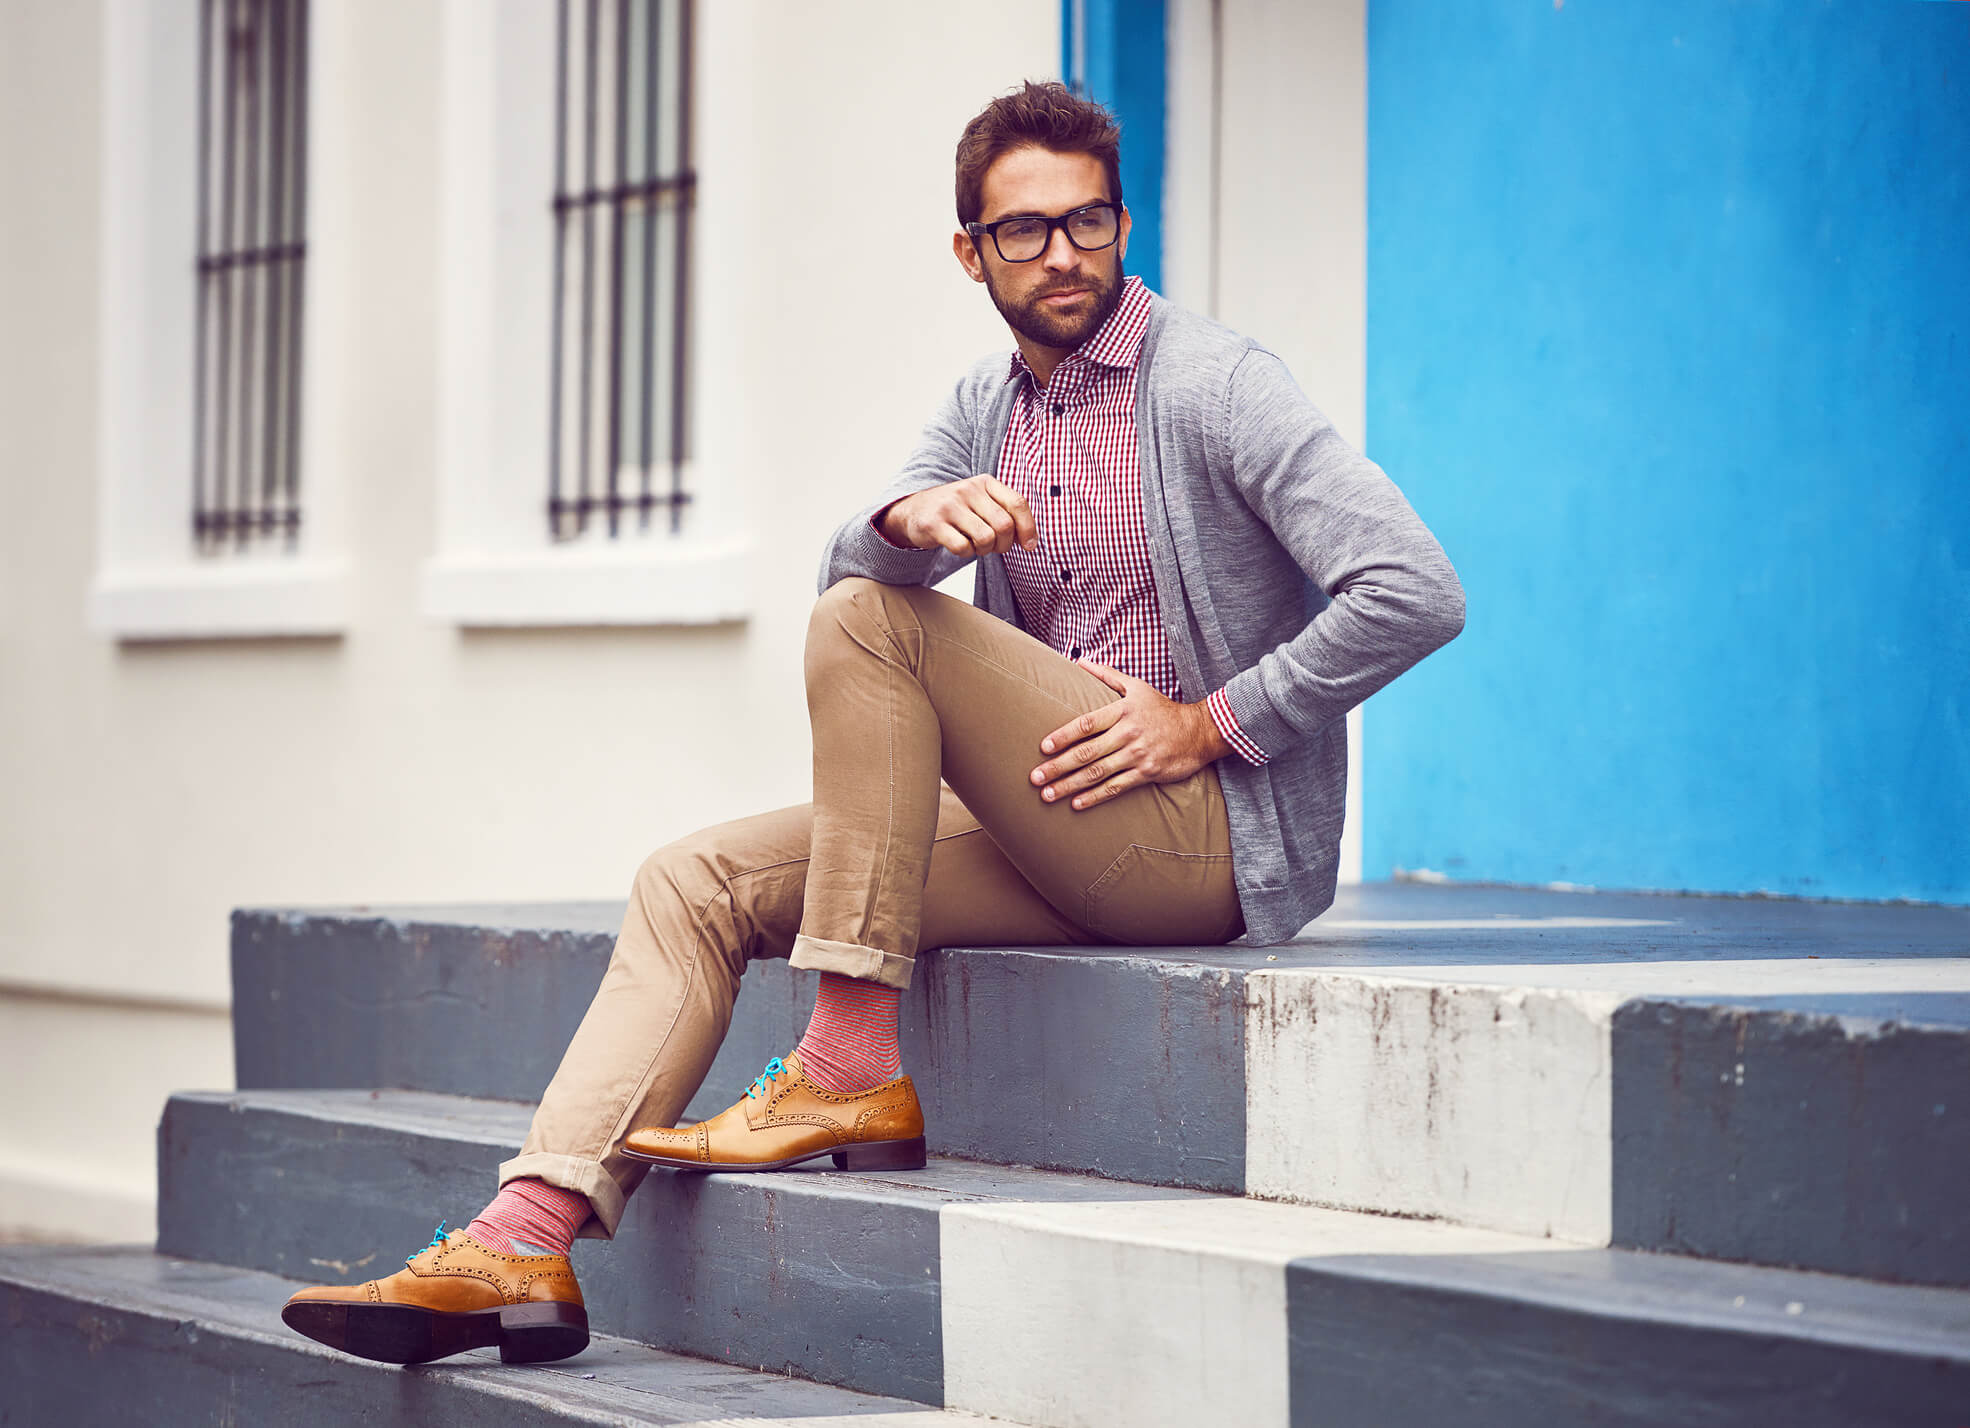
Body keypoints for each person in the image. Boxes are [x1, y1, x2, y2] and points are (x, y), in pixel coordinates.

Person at [279, 78, 1464, 1368]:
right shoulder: (985, 409)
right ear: (973, 253)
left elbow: (1416, 587)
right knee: (692, 880)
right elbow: (863, 548)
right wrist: (900, 525)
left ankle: (847, 1050)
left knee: (865, 618)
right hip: (1051, 832)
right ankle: (528, 1234)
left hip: (1201, 844)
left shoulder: (1219, 388)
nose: (1062, 254)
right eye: (1023, 232)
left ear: (1127, 226)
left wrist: (1215, 722)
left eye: (1089, 222)